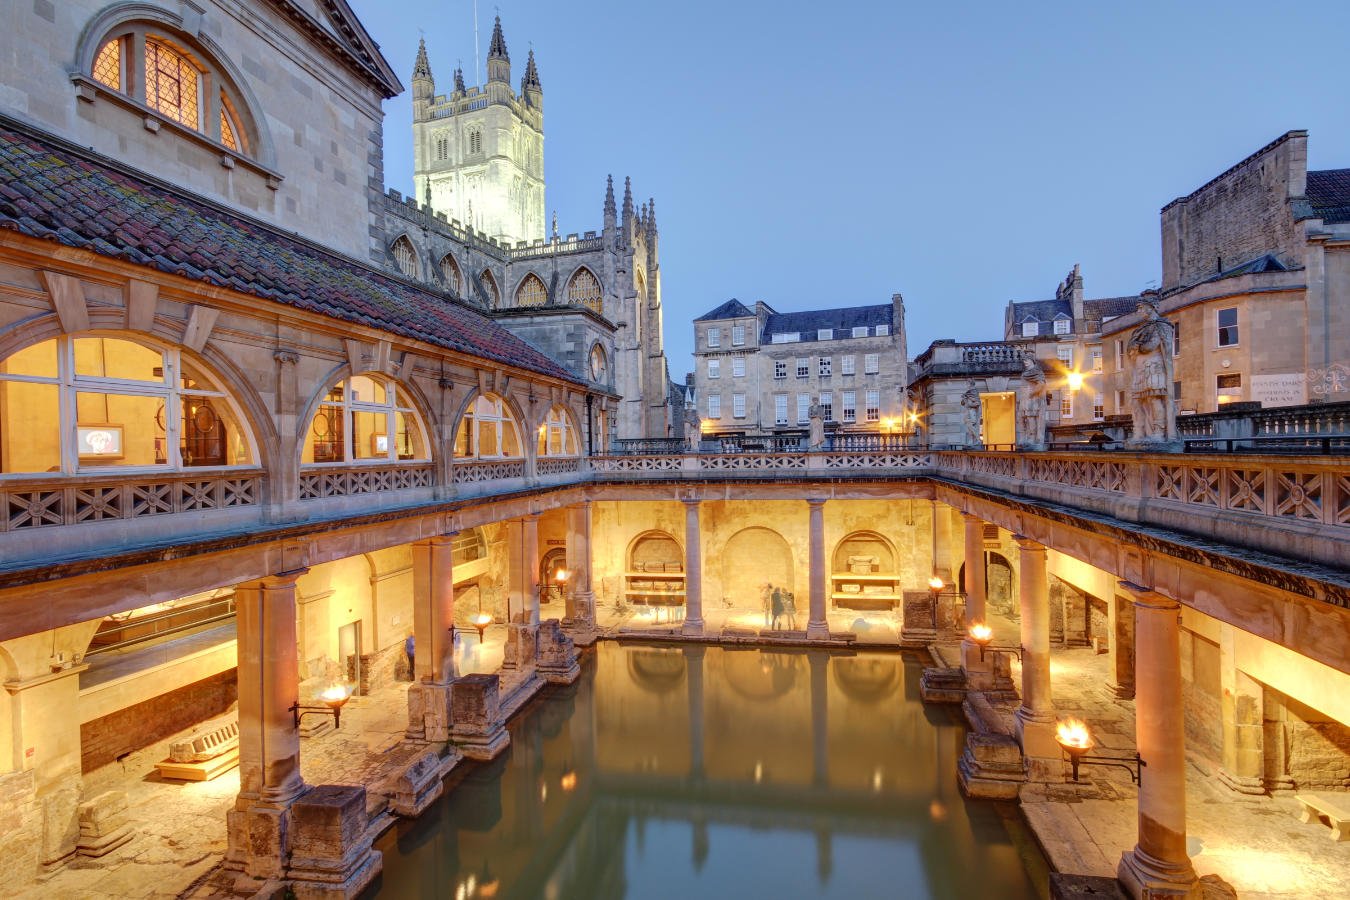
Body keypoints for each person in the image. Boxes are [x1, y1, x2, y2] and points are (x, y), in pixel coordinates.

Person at [1127, 298, 1177, 442]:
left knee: (1154, 399)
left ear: (1152, 307)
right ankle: (1139, 432)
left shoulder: (1161, 325)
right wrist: (1135, 346)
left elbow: (1152, 345)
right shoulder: (1141, 329)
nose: (1139, 311)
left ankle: (1159, 432)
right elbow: (1131, 347)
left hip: (1154, 367)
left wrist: (1138, 346)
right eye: (1139, 308)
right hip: (1140, 368)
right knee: (1137, 401)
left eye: (1142, 307)